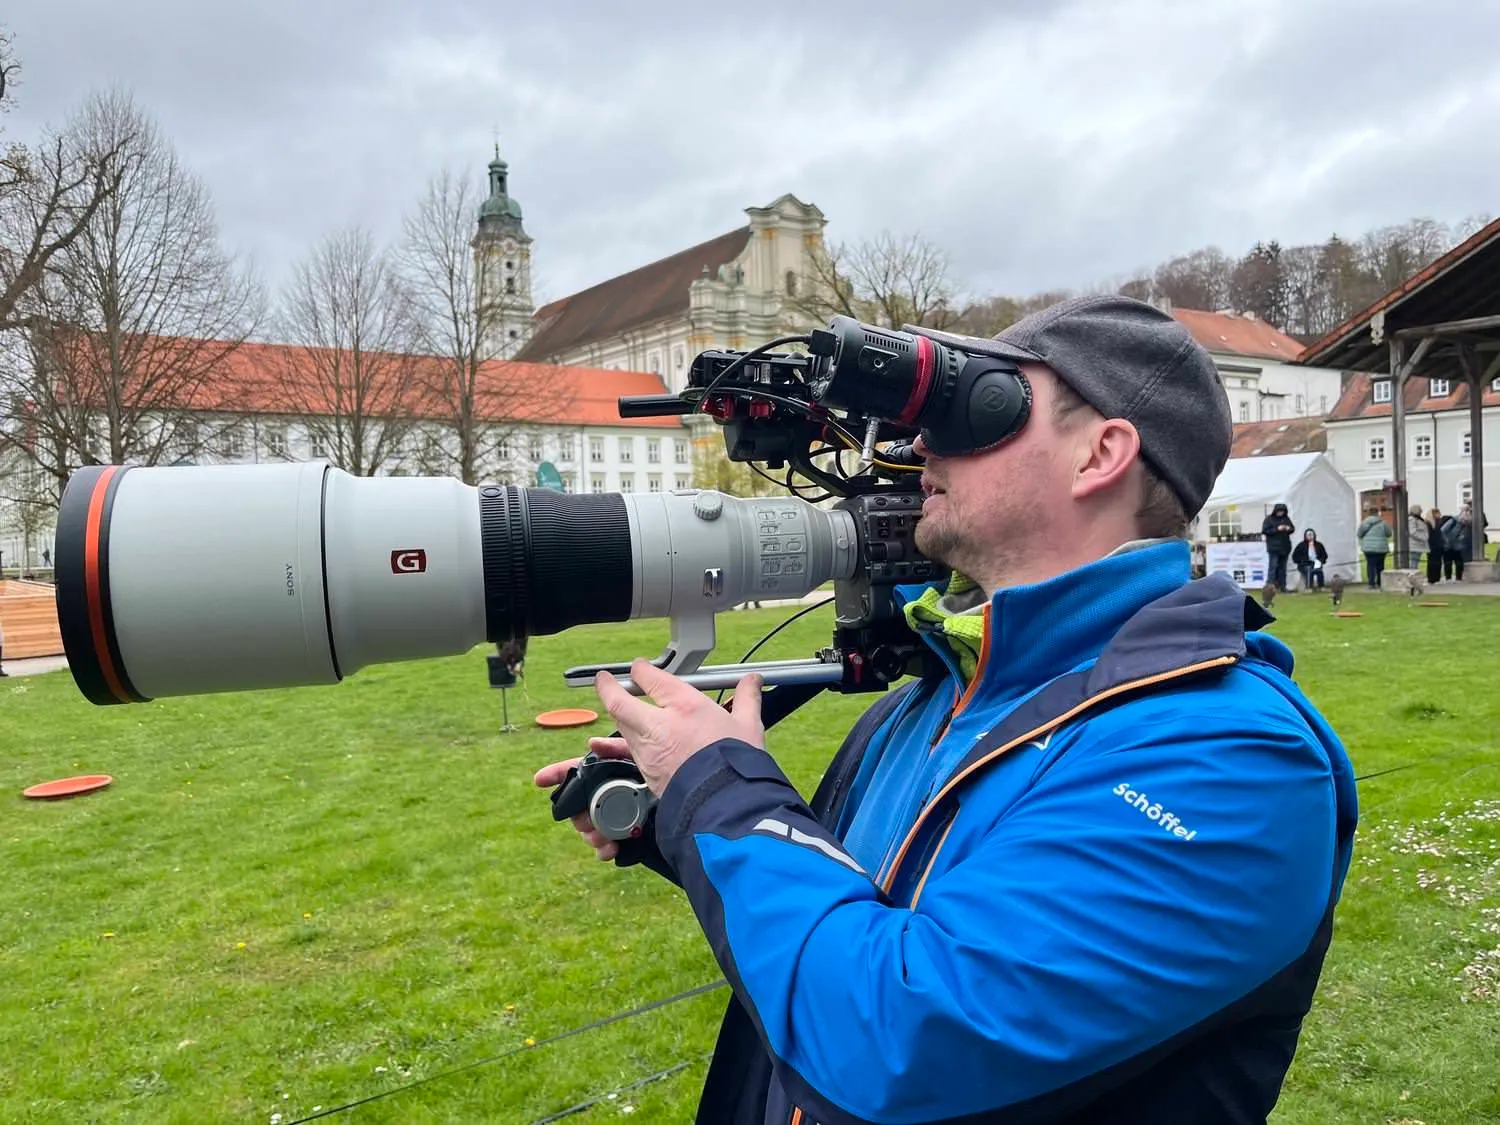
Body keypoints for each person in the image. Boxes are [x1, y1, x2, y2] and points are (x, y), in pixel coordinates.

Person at [535, 296, 1358, 1125]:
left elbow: (900, 1042)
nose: (923, 443)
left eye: (980, 406)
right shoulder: (932, 698)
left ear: (1100, 454)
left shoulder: (1229, 756)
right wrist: (682, 819)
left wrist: (722, 793)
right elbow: (862, 909)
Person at [1261, 503, 1295, 592]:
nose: (1281, 513)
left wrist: (1288, 528)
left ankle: (1283, 586)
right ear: (1275, 511)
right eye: (1279, 511)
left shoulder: (1286, 519)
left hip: (1285, 547)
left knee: (1282, 568)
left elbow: (1292, 529)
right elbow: (1265, 531)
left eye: (1282, 511)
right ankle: (1270, 586)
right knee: (1273, 567)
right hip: (1273, 548)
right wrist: (1277, 529)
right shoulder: (1269, 519)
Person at [1357, 506, 1392, 588]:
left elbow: (1359, 534)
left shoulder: (1365, 522)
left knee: (1370, 565)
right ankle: (1380, 582)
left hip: (1369, 548)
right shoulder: (1383, 523)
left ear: (1368, 513)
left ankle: (1371, 583)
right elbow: (1389, 533)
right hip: (1381, 548)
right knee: (1380, 566)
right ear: (1378, 512)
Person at [1406, 503, 1429, 572]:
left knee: (1415, 563)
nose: (1421, 511)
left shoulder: (1418, 519)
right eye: (1420, 510)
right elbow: (1412, 532)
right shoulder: (1412, 520)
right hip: (1415, 545)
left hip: (1418, 545)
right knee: (1413, 564)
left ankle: (1413, 577)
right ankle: (1412, 578)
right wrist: (1423, 537)